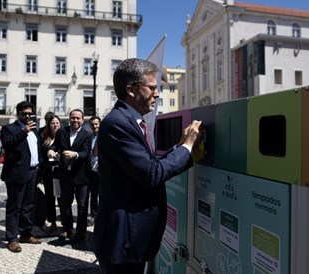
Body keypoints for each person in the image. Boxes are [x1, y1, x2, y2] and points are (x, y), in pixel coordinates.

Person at [93, 58, 204, 274]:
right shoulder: (118, 124)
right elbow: (152, 174)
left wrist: (180, 148)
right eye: (152, 88)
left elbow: (147, 165)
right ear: (131, 90)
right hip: (123, 239)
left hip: (132, 238)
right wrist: (187, 147)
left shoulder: (129, 121)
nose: (157, 93)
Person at [0, 101, 42, 253]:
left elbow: (37, 149)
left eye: (30, 113)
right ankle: (12, 238)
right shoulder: (9, 129)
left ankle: (25, 233)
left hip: (33, 172)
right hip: (16, 173)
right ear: (17, 113)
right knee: (14, 206)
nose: (27, 116)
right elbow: (8, 145)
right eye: (24, 113)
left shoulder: (34, 130)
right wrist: (23, 132)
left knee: (28, 206)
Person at [47, 109, 92, 243]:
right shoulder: (62, 131)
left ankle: (81, 232)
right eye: (73, 118)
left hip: (81, 175)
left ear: (82, 120)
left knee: (82, 205)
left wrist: (75, 154)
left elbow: (85, 152)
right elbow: (56, 145)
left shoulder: (87, 134)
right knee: (65, 203)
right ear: (69, 119)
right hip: (65, 173)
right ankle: (67, 229)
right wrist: (51, 149)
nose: (75, 120)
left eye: (78, 118)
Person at [38, 114, 61, 233]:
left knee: (62, 198)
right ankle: (52, 221)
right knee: (50, 197)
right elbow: (41, 155)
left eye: (57, 123)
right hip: (48, 171)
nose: (55, 125)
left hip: (60, 171)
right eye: (53, 123)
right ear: (49, 125)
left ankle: (65, 223)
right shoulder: (43, 137)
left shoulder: (63, 136)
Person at [87, 116, 100, 221]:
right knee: (93, 194)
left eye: (96, 124)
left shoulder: (106, 137)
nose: (94, 126)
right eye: (92, 124)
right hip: (92, 170)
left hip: (103, 170)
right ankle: (94, 215)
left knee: (104, 194)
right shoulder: (88, 137)